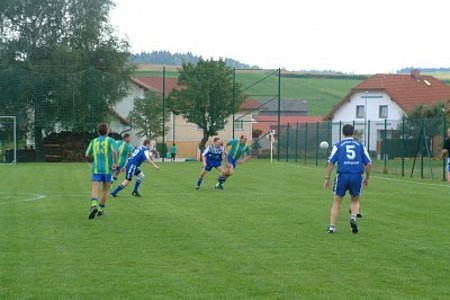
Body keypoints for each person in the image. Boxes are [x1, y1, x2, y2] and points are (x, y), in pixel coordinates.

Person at [324, 124, 371, 234]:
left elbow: (331, 163)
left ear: (343, 133)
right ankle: (353, 217)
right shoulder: (360, 146)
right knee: (355, 200)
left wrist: (327, 178)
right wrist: (367, 177)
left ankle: (332, 227)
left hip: (342, 176)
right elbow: (368, 164)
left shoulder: (338, 145)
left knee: (337, 202)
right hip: (357, 176)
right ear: (353, 132)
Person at [85, 123, 118, 219]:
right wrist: (115, 163)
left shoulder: (93, 141)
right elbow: (114, 151)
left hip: (96, 169)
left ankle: (93, 205)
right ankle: (100, 210)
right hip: (107, 170)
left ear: (98, 132)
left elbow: (87, 154)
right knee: (105, 190)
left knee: (95, 188)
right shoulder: (111, 140)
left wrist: (92, 158)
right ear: (107, 131)